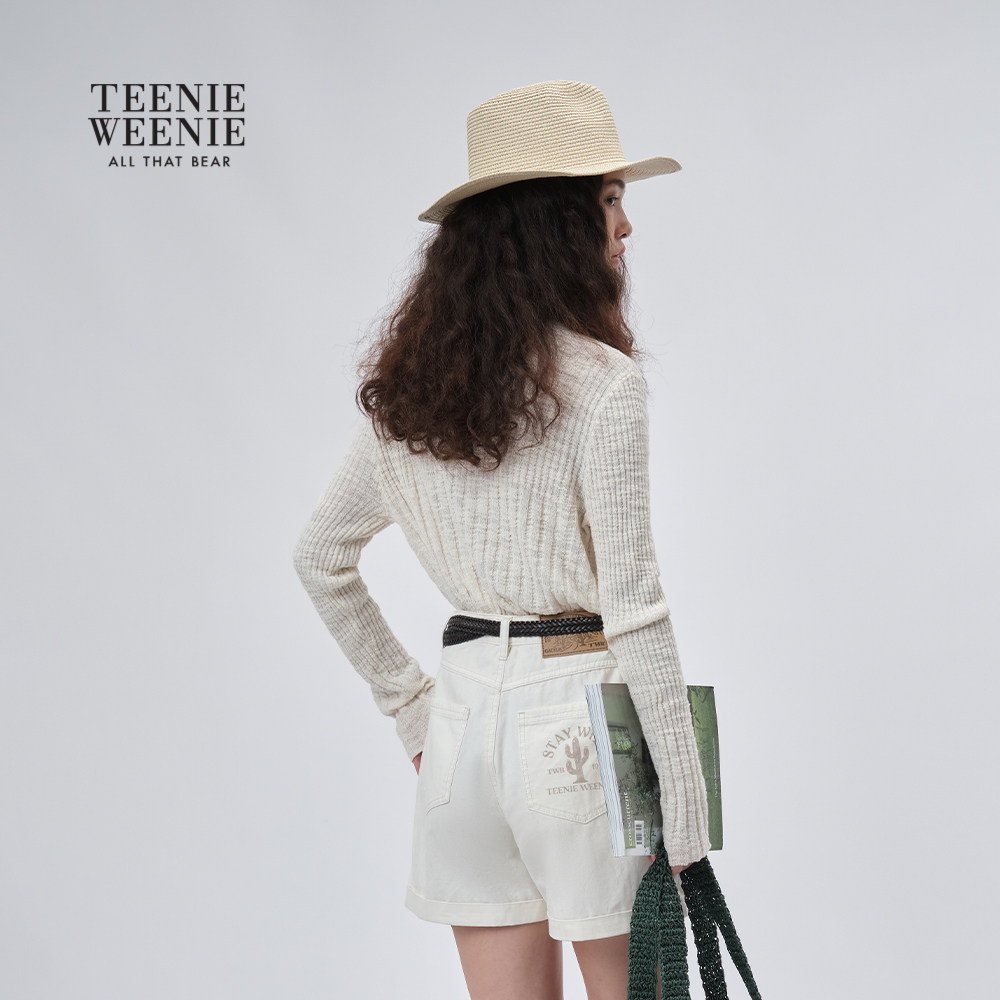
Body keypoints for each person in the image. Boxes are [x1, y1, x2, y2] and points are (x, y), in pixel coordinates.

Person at [294, 80, 711, 1000]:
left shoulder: (409, 398)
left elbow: (319, 558)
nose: (627, 226)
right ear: (555, 222)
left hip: (460, 729)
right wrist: (686, 804)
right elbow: (635, 609)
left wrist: (412, 710)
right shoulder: (603, 386)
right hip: (584, 733)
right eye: (610, 199)